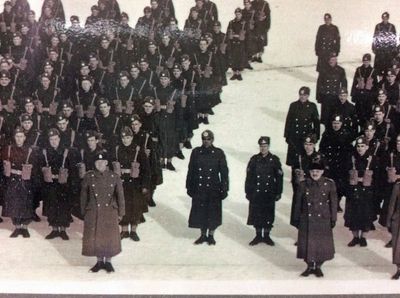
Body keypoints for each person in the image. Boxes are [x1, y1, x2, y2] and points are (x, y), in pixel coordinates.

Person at [80, 151, 125, 273]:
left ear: (106, 163)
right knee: (96, 237)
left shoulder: (114, 177)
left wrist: (121, 212)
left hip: (110, 211)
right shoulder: (89, 177)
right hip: (94, 210)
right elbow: (84, 195)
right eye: (97, 162)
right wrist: (84, 211)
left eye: (102, 162)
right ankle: (99, 261)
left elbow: (120, 196)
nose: (99, 164)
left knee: (109, 236)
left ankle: (109, 262)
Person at [292, 161, 338, 277]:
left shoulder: (329, 184)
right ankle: (309, 266)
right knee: (307, 244)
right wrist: (296, 218)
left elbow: (333, 203)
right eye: (312, 171)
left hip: (323, 219)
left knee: (321, 244)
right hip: (306, 219)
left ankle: (318, 266)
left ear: (322, 172)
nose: (315, 173)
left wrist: (333, 218)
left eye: (317, 171)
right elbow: (297, 203)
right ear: (309, 172)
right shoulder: (303, 184)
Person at [186, 130, 229, 245]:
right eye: (204, 139)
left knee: (213, 213)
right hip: (199, 188)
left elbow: (224, 172)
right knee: (201, 212)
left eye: (208, 139)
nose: (206, 142)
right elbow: (191, 170)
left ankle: (211, 235)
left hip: (213, 189)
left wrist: (224, 188)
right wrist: (189, 186)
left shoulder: (218, 153)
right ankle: (202, 235)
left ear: (212, 140)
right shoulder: (196, 152)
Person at [245, 136, 283, 246]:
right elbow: (249, 177)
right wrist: (248, 191)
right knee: (257, 214)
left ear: (269, 146)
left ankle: (266, 235)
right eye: (261, 146)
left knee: (268, 214)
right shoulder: (254, 159)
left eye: (265, 146)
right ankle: (258, 235)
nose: (263, 148)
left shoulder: (274, 160)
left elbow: (279, 177)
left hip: (269, 193)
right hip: (256, 193)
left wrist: (278, 192)